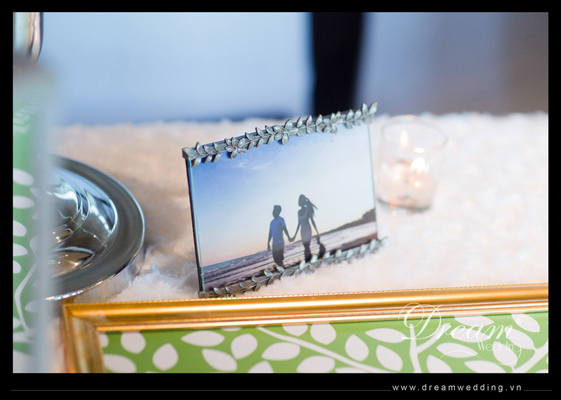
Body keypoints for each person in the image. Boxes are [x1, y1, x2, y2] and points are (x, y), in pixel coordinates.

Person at [291, 194, 321, 262]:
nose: (299, 201)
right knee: (305, 246)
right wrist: (294, 235)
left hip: (307, 229)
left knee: (307, 246)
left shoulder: (308, 210)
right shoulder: (298, 212)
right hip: (302, 230)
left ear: (303, 201)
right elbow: (298, 224)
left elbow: (312, 221)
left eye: (300, 200)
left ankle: (308, 259)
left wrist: (317, 232)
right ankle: (309, 259)